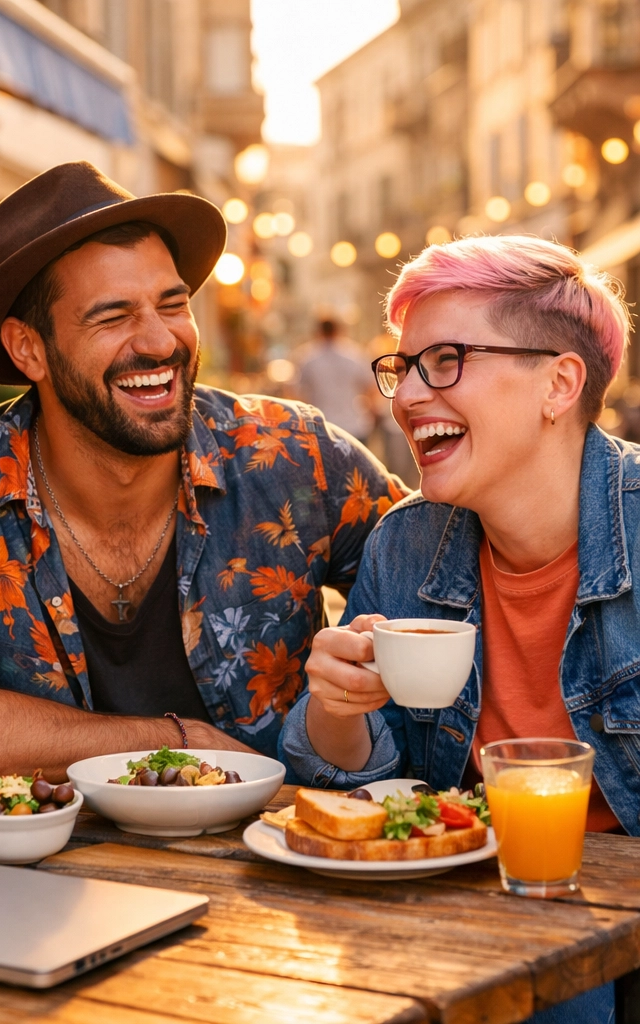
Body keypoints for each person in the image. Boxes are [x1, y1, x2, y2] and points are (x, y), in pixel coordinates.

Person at [0, 161, 406, 794]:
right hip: (37, 880)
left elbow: (447, 573)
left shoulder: (295, 455)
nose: (159, 341)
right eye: (113, 316)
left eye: (173, 305)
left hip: (278, 867)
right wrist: (179, 743)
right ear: (28, 349)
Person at [282, 235, 635, 1024]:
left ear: (559, 383)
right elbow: (373, 796)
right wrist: (335, 710)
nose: (406, 397)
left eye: (445, 360)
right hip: (460, 921)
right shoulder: (407, 544)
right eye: (402, 367)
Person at [294, 318, 377, 444]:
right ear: (339, 330)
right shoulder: (354, 354)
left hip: (322, 426)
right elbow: (371, 387)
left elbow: (297, 393)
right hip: (354, 425)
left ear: (318, 331)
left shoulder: (307, 358)